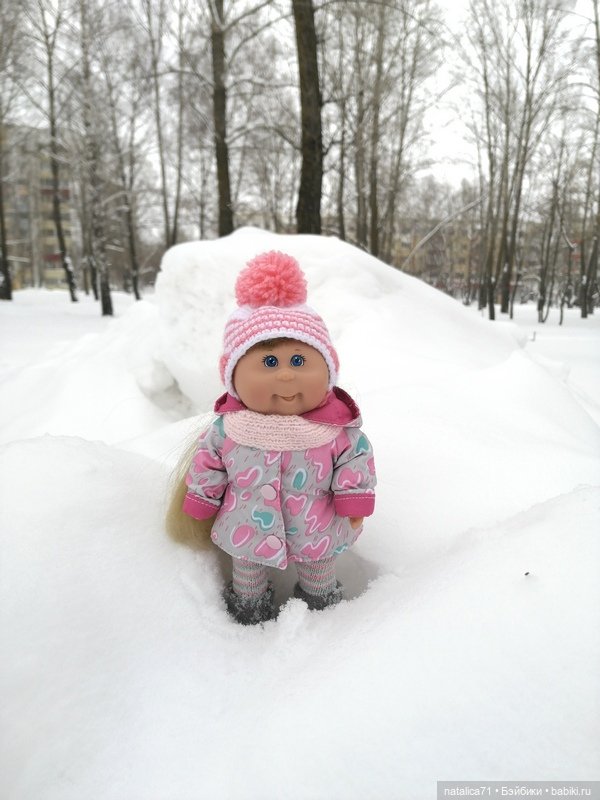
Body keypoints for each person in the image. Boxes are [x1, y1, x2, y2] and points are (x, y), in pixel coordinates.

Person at [166, 250, 376, 624]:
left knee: (319, 574)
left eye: (299, 361)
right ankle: (249, 611)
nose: (284, 376)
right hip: (246, 526)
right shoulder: (228, 430)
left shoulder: (336, 430)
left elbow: (354, 464)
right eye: (268, 362)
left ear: (327, 371)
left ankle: (323, 609)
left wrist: (353, 502)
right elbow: (208, 466)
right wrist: (201, 503)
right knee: (247, 576)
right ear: (232, 376)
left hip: (317, 525)